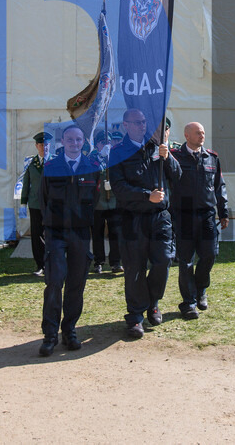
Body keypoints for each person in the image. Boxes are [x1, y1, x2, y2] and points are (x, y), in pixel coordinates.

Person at [109, 110, 180, 339]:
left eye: (143, 122)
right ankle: (136, 316)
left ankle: (153, 301)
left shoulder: (156, 147)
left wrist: (167, 156)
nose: (141, 126)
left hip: (160, 217)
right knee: (134, 267)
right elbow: (118, 187)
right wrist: (145, 195)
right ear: (126, 125)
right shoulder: (118, 152)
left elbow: (177, 176)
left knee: (164, 260)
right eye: (136, 123)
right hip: (133, 217)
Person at [38, 125, 100, 356]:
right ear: (62, 141)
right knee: (54, 282)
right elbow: (42, 199)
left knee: (76, 283)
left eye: (78, 139)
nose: (74, 143)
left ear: (83, 142)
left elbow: (95, 198)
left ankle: (69, 330)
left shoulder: (92, 167)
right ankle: (50, 334)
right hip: (56, 232)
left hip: (80, 233)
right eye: (70, 139)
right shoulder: (51, 167)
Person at [170, 122, 229, 319]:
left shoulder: (211, 157)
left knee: (209, 255)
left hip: (206, 215)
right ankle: (188, 302)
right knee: (186, 261)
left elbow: (219, 186)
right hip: (184, 215)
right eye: (197, 133)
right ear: (187, 135)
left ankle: (201, 289)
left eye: (203, 132)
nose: (201, 136)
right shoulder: (175, 157)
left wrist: (224, 212)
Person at [20, 131, 51, 277]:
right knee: (36, 235)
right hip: (35, 204)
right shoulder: (31, 163)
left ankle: (52, 263)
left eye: (46, 145)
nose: (44, 147)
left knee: (52, 234)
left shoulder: (56, 161)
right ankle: (40, 265)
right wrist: (23, 203)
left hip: (52, 204)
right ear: (36, 146)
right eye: (41, 145)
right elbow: (26, 183)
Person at [90, 129, 121, 274]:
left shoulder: (115, 156)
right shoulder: (93, 157)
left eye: (108, 142)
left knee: (115, 232)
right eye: (103, 142)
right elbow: (90, 172)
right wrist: (102, 158)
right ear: (97, 144)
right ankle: (99, 262)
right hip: (98, 202)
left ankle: (115, 262)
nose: (107, 145)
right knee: (97, 233)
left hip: (114, 201)